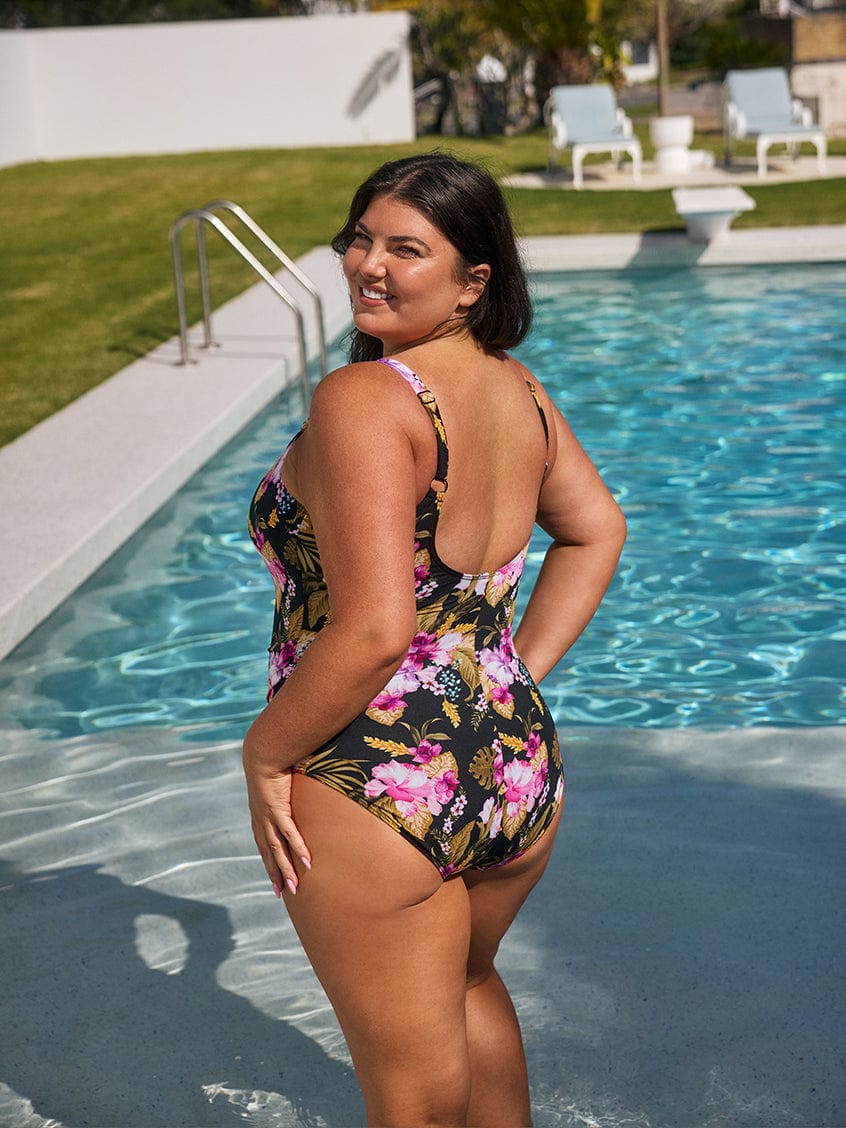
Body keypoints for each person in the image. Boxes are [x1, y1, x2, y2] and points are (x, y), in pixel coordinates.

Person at [243, 152, 626, 1127]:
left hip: (374, 773)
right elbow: (595, 529)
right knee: (468, 986)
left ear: (472, 281)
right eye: (360, 239)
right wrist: (512, 675)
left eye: (406, 248)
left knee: (409, 1102)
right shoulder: (521, 394)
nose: (369, 264)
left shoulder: (366, 401)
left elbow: (376, 629)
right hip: (513, 762)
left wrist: (266, 750)